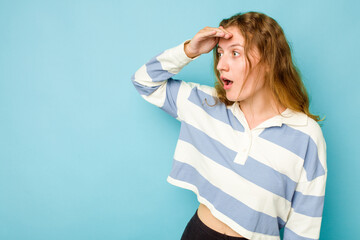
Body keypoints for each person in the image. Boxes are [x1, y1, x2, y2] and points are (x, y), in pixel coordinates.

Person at [131, 11, 327, 240]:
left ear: (269, 62)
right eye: (219, 53)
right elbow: (144, 81)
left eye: (235, 53)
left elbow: (304, 228)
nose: (221, 65)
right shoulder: (206, 104)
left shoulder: (305, 135)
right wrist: (190, 50)